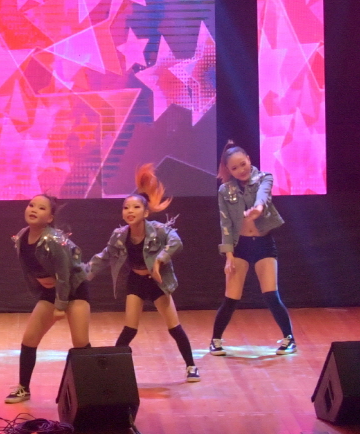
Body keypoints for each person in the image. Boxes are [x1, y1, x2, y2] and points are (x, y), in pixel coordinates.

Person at [85, 164, 199, 382]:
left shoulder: (159, 230)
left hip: (157, 282)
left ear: (146, 212)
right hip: (135, 281)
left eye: (136, 208)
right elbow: (104, 256)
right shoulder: (119, 235)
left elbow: (176, 242)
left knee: (174, 327)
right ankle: (112, 369)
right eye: (126, 208)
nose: (130, 211)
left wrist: (159, 260)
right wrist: (84, 272)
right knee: (130, 328)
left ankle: (191, 366)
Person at [210, 141, 295, 356]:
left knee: (271, 294)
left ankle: (289, 338)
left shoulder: (264, 178)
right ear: (228, 170)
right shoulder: (225, 190)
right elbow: (225, 223)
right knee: (231, 297)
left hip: (264, 244)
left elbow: (263, 195)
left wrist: (258, 208)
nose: (241, 170)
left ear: (249, 159)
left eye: (243, 164)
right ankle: (215, 340)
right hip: (240, 246)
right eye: (234, 168)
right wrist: (229, 256)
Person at [7, 194, 91, 403]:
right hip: (50, 292)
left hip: (74, 289)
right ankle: (23, 388)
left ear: (50, 218)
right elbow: (29, 269)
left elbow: (64, 274)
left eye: (41, 208)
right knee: (29, 339)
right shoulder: (22, 236)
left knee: (80, 343)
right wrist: (41, 287)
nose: (34, 209)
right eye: (31, 205)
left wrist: (61, 305)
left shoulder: (54, 240)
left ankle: (93, 389)